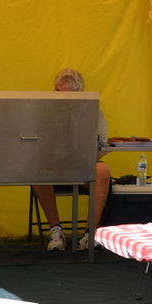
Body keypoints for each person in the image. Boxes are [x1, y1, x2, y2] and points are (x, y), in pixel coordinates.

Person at [33, 68, 111, 251]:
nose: (63, 99)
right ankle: (56, 230)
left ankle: (90, 232)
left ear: (79, 95)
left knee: (103, 170)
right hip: (54, 164)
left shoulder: (94, 112)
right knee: (36, 170)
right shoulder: (44, 113)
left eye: (69, 95)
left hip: (82, 163)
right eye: (60, 93)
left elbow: (102, 146)